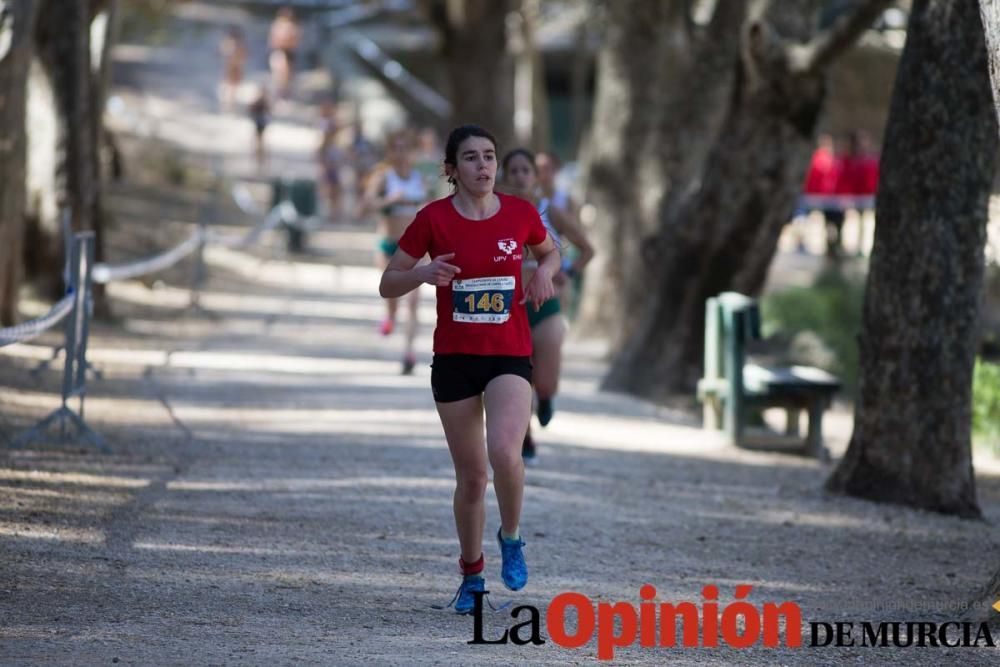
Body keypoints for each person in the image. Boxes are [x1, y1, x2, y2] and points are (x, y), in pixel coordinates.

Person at [379, 125, 559, 614]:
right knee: (473, 477)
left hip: (508, 355)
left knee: (506, 453)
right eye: (472, 159)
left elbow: (550, 250)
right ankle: (472, 573)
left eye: (490, 157)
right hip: (455, 360)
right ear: (452, 170)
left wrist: (543, 271)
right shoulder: (432, 219)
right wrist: (421, 273)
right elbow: (387, 283)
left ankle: (513, 536)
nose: (484, 167)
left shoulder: (521, 214)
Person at [501, 149, 594, 464]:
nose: (520, 176)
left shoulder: (550, 211)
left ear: (536, 176)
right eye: (513, 171)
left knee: (544, 379)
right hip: (510, 306)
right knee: (519, 376)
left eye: (526, 170)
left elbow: (587, 249)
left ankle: (547, 397)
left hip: (547, 304)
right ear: (504, 176)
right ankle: (525, 437)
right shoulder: (496, 212)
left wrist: (566, 273)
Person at [365, 130, 428, 374]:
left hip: (413, 247)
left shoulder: (419, 179)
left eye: (406, 148)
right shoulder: (383, 177)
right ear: (391, 151)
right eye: (397, 148)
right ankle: (390, 317)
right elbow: (367, 204)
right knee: (393, 297)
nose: (401, 154)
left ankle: (409, 353)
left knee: (413, 301)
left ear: (412, 152)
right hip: (388, 245)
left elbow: (426, 207)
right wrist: (389, 200)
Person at [316, 101, 344, 223]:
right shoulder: (327, 142)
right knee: (329, 190)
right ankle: (330, 213)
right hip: (330, 167)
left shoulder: (335, 143)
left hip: (333, 166)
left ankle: (334, 213)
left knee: (335, 190)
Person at [268, 6, 301, 99]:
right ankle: (278, 95)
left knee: (288, 76)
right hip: (279, 51)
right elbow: (272, 40)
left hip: (289, 52)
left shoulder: (293, 27)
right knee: (278, 74)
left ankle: (285, 95)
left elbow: (296, 42)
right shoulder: (277, 26)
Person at [219, 26, 247, 112]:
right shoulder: (229, 44)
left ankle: (230, 103)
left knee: (233, 85)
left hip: (236, 66)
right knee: (230, 85)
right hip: (231, 66)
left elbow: (244, 55)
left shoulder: (238, 44)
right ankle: (229, 103)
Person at [248, 87, 270, 169]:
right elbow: (251, 110)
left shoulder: (263, 102)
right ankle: (257, 154)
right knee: (258, 138)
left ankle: (260, 155)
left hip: (262, 123)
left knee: (260, 139)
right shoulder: (258, 102)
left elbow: (268, 111)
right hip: (258, 122)